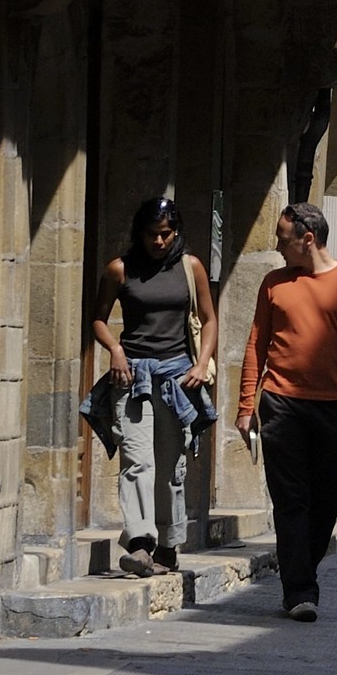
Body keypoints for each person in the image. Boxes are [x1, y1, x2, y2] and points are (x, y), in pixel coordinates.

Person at [236, 201, 337, 621]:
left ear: (308, 238)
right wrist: (247, 405)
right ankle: (300, 590)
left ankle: (301, 568)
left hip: (330, 407)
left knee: (326, 498)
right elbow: (255, 346)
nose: (279, 247)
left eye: (284, 239)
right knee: (291, 499)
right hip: (280, 402)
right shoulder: (273, 283)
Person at [88, 197, 218, 578]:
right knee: (136, 459)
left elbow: (208, 319)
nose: (158, 242)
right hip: (131, 376)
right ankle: (140, 544)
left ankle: (167, 544)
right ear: (139, 234)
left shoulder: (190, 267)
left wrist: (201, 363)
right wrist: (114, 349)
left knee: (169, 467)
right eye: (151, 235)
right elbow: (97, 319)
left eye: (165, 234)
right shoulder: (119, 270)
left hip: (177, 378)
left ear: (175, 232)